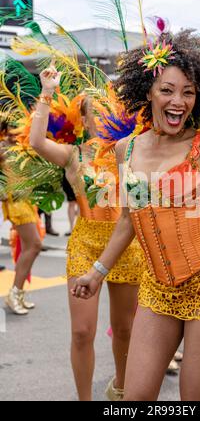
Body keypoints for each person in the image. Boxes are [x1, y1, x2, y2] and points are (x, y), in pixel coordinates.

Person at [71, 30, 200, 401]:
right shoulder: (125, 150)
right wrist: (96, 273)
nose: (177, 101)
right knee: (135, 399)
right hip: (157, 290)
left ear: (199, 98)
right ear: (148, 91)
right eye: (167, 90)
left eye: (188, 92)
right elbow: (128, 220)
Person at [29, 69, 147, 401]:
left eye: (109, 110)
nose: (103, 117)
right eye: (95, 111)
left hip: (125, 243)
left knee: (125, 329)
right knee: (82, 332)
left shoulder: (133, 152)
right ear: (84, 117)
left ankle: (121, 390)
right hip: (85, 244)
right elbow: (36, 142)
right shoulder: (73, 155)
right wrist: (47, 92)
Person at [0, 121, 42, 315]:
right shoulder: (2, 150)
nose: (15, 134)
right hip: (16, 203)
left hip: (27, 201)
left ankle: (18, 292)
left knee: (29, 247)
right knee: (33, 245)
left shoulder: (21, 147)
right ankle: (15, 293)